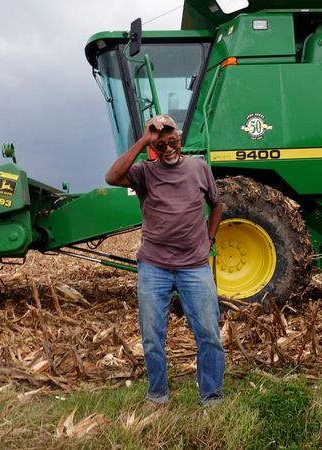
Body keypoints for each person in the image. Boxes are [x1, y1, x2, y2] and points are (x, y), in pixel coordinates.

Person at [105, 114, 225, 406]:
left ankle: (211, 395)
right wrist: (145, 139)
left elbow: (217, 203)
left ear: (180, 140)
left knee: (208, 332)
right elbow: (111, 177)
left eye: (172, 142)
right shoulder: (145, 172)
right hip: (154, 266)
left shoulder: (199, 168)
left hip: (194, 266)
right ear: (154, 148)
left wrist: (209, 238)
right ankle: (157, 394)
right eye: (161, 145)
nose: (168, 148)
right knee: (152, 337)